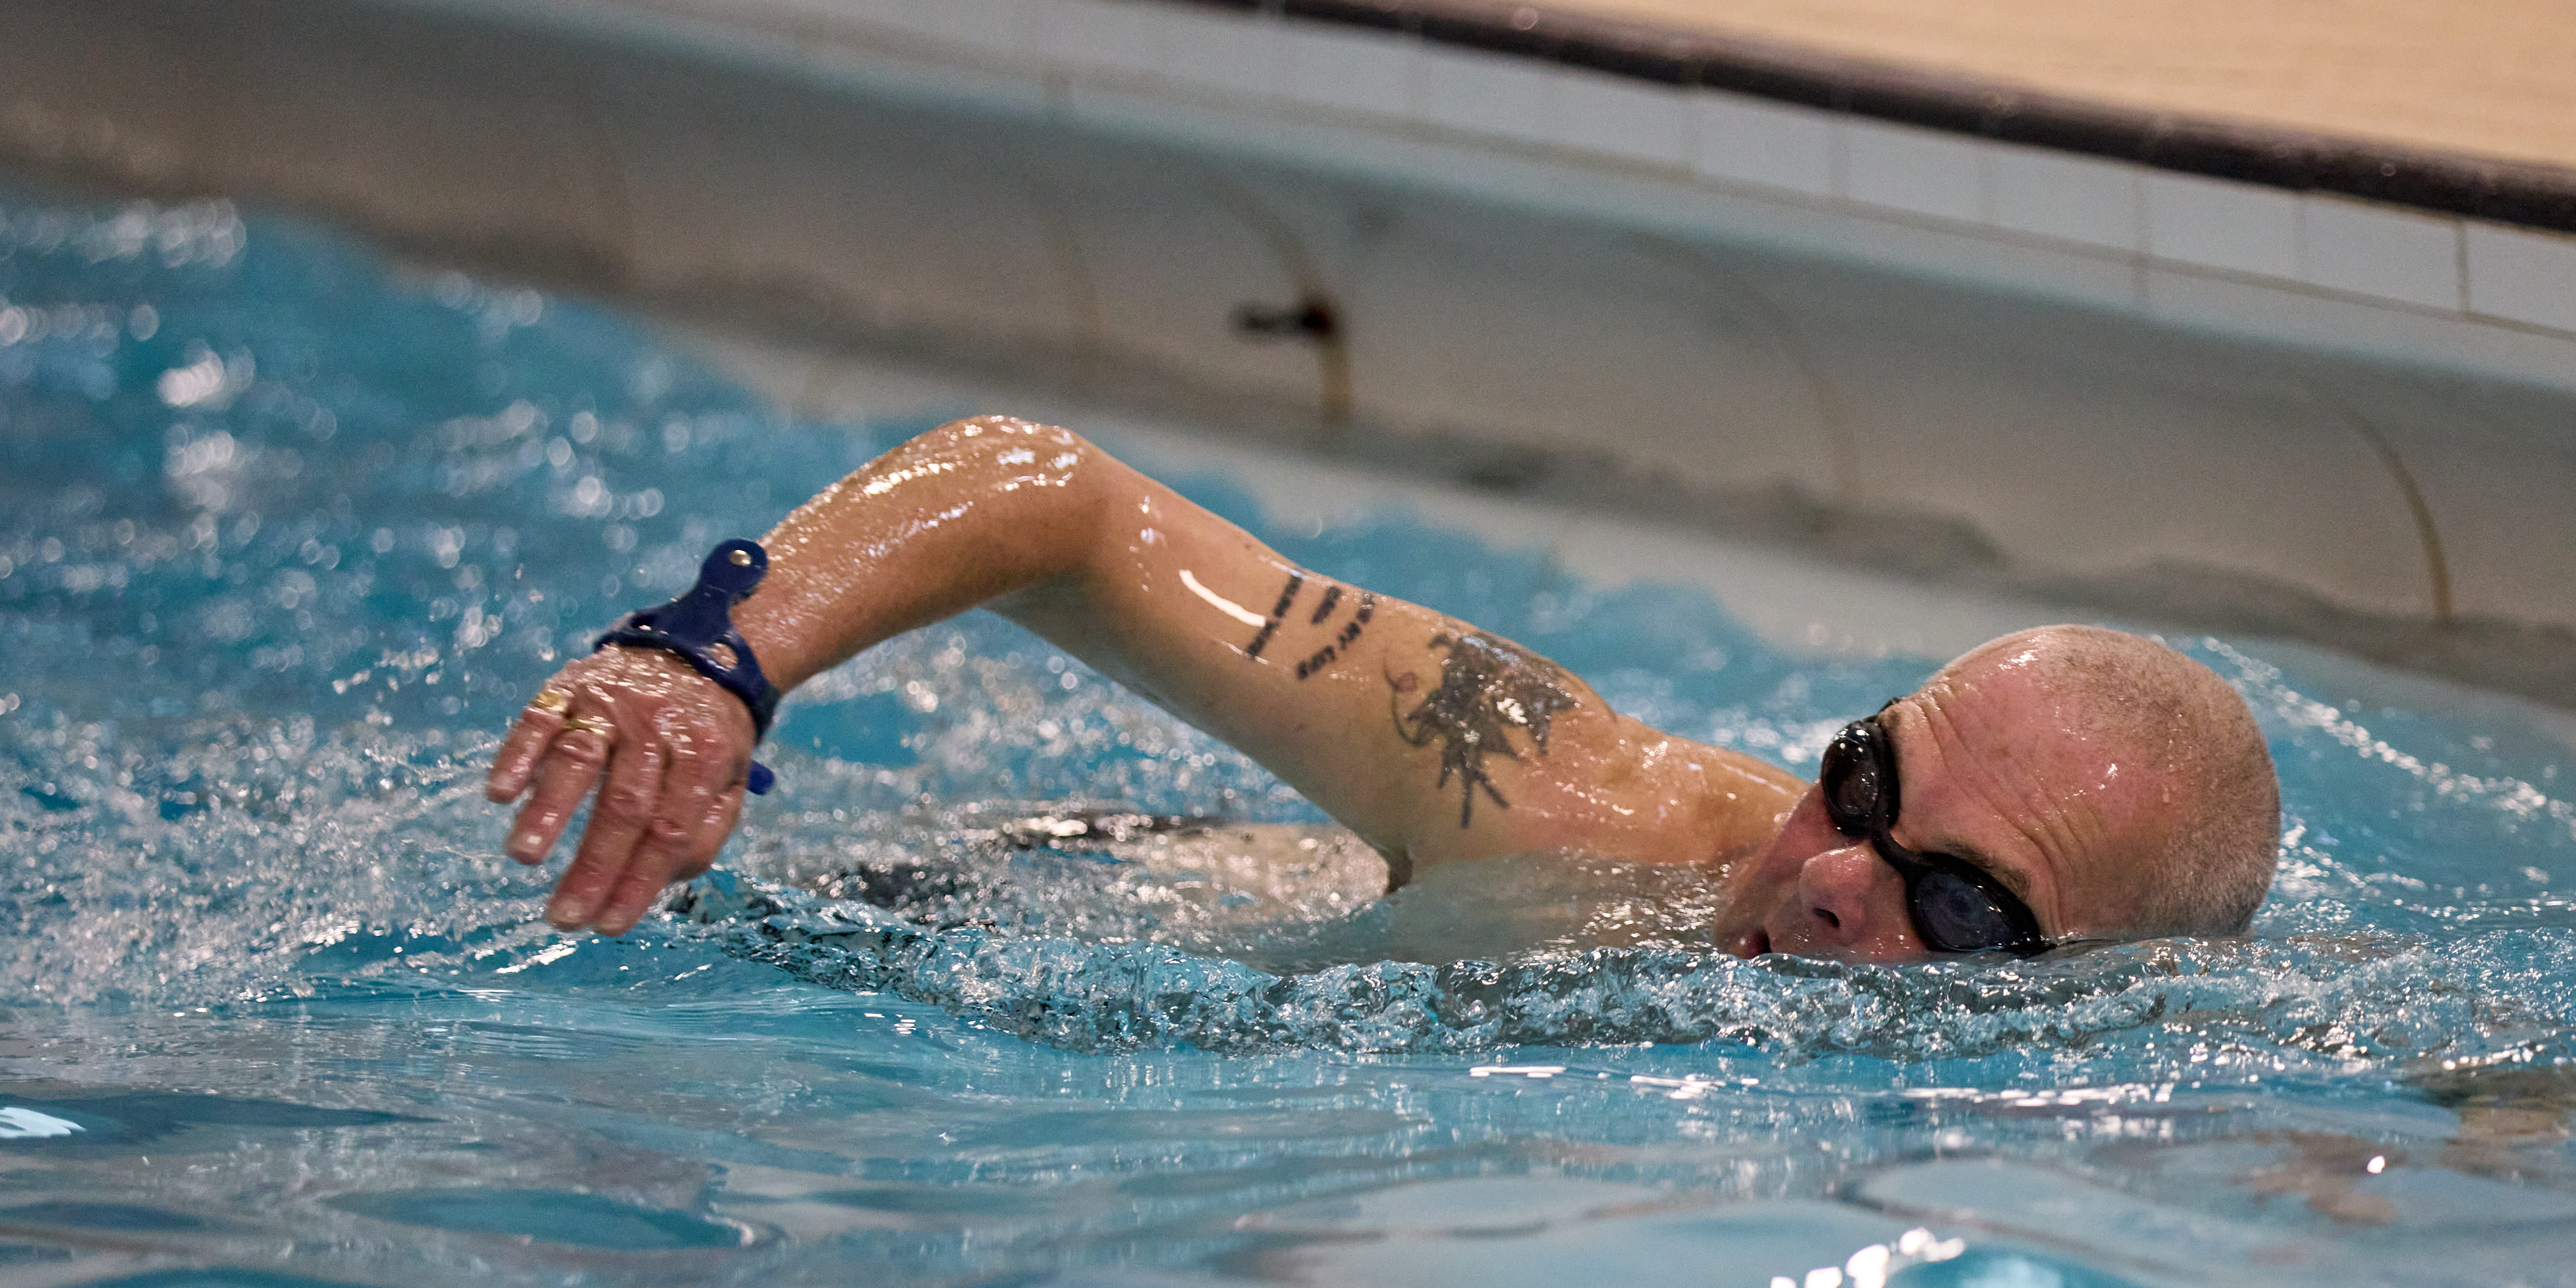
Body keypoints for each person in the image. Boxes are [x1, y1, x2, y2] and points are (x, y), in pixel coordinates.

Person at [487, 414, 2280, 959]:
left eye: (1959, 910)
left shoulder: (2179, 1060)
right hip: (1061, 889)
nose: (1834, 875)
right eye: (1864, 784)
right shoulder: (1573, 799)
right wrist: (710, 660)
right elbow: (1055, 499)